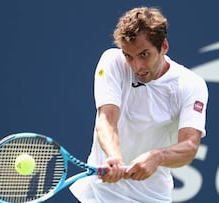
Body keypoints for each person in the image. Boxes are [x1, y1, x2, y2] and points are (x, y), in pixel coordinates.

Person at [70, 6, 208, 203]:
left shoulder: (190, 84)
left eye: (144, 54)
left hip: (151, 198)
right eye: (128, 56)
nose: (137, 67)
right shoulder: (111, 62)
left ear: (164, 47)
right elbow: (106, 119)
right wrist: (114, 157)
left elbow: (189, 146)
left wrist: (157, 156)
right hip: (98, 196)